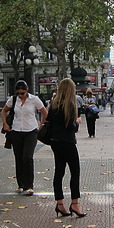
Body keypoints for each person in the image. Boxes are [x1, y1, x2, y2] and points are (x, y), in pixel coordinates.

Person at [41, 78, 86, 217]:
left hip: (55, 141)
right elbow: (71, 127)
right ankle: (75, 204)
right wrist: (77, 121)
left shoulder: (53, 104)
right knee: (75, 172)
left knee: (59, 172)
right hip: (68, 142)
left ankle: (60, 204)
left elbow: (49, 121)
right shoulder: (70, 105)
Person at [2, 80, 47, 196]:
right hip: (16, 131)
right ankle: (20, 184)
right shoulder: (12, 100)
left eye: (23, 93)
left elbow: (45, 113)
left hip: (31, 131)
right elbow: (4, 110)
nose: (21, 95)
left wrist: (40, 126)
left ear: (27, 91)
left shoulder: (34, 100)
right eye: (18, 93)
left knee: (27, 157)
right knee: (19, 158)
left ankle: (29, 185)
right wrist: (5, 124)